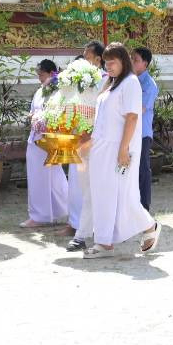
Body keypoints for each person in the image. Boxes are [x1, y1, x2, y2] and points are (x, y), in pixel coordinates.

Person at [80, 43, 160, 256]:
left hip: (119, 149)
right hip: (101, 148)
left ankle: (149, 226)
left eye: (112, 62)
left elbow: (132, 117)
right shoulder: (111, 84)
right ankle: (104, 241)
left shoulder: (131, 83)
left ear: (123, 62)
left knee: (125, 195)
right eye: (106, 62)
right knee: (102, 195)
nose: (108, 66)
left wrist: (124, 150)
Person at [64, 40, 106, 246]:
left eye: (87, 56)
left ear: (99, 59)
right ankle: (84, 232)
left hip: (99, 142)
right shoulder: (78, 82)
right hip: (81, 142)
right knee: (86, 188)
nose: (83, 59)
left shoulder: (107, 81)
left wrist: (92, 133)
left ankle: (92, 232)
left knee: (98, 189)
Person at [23, 59, 69, 228]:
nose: (40, 78)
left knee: (48, 178)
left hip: (51, 137)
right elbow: (34, 111)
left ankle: (42, 215)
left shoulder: (60, 92)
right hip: (37, 137)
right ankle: (57, 210)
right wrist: (33, 117)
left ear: (51, 74)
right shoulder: (40, 91)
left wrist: (43, 118)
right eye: (38, 75)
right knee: (47, 177)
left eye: (41, 74)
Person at [130, 46, 158, 211]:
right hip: (129, 131)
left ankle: (144, 206)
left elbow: (140, 109)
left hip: (142, 133)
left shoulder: (149, 84)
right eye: (131, 58)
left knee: (142, 169)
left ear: (145, 64)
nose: (132, 62)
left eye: (136, 60)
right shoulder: (129, 80)